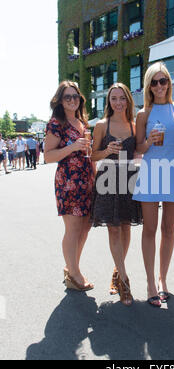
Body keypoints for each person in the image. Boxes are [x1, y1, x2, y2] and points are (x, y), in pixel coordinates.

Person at [133, 62, 174, 307]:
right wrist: (149, 142)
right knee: (150, 230)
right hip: (152, 172)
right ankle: (150, 282)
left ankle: (164, 279)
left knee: (169, 230)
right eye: (154, 82)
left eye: (163, 81)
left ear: (169, 83)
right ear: (148, 86)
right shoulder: (143, 113)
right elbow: (138, 148)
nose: (159, 86)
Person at [90, 83, 142, 306]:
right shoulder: (102, 125)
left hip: (129, 179)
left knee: (126, 226)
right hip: (108, 178)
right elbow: (92, 156)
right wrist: (107, 151)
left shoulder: (134, 125)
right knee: (113, 229)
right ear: (108, 102)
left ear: (128, 100)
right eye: (114, 99)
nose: (118, 102)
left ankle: (116, 270)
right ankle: (124, 280)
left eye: (122, 98)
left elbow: (140, 151)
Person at [44, 80, 95, 291]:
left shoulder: (83, 123)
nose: (72, 100)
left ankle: (72, 267)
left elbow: (88, 154)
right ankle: (74, 274)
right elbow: (48, 156)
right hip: (68, 181)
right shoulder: (57, 122)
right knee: (73, 228)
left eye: (75, 96)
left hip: (86, 180)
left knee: (85, 226)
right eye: (68, 97)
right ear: (60, 101)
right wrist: (72, 146)